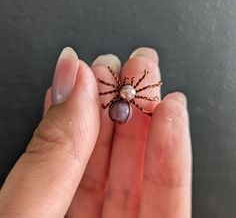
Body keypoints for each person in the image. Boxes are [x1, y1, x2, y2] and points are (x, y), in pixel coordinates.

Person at [0, 47, 192, 218]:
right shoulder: (131, 93)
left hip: (118, 109)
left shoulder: (118, 92)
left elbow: (111, 89)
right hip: (121, 110)